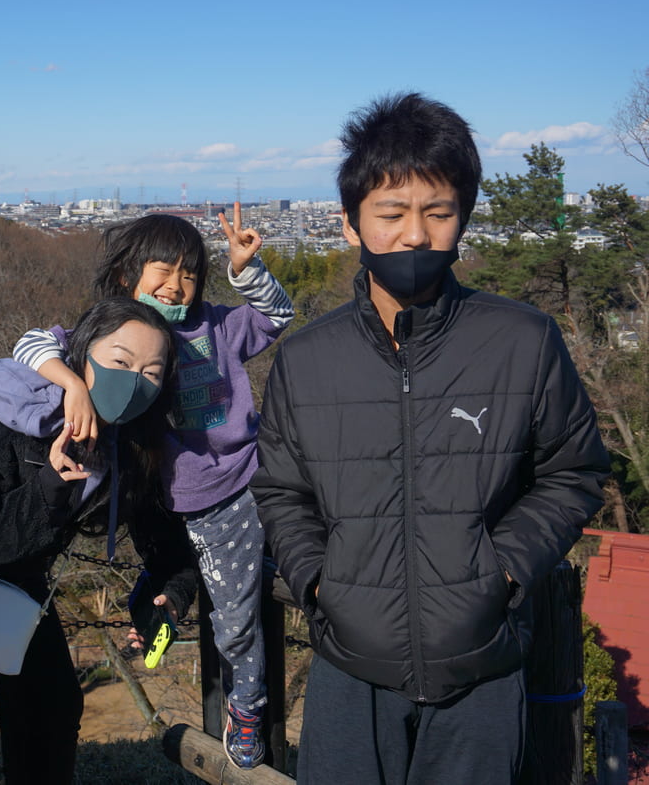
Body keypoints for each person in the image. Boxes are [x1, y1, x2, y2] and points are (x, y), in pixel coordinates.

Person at [251, 93, 610, 784]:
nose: (415, 234)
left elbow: (575, 470)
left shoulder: (521, 340)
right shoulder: (307, 359)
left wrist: (501, 568)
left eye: (438, 212)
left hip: (480, 667)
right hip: (349, 668)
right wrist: (322, 582)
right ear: (353, 223)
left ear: (462, 221)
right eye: (391, 213)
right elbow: (281, 488)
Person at [12, 211, 293, 768]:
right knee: (177, 577)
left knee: (235, 613)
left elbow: (277, 314)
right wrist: (71, 384)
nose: (176, 285)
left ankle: (248, 701)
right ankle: (153, 612)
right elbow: (30, 343)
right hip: (160, 496)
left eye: (190, 274)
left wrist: (246, 268)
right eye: (162, 270)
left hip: (231, 487)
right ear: (126, 276)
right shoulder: (116, 331)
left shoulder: (216, 326)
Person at [0, 297, 198, 785]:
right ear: (81, 356)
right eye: (119, 362)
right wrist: (51, 489)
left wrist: (171, 589)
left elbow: (161, 533)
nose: (133, 381)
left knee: (51, 711)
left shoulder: (134, 441)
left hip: (20, 583)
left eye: (152, 371)